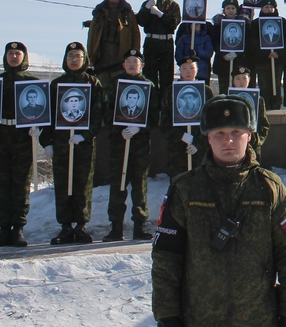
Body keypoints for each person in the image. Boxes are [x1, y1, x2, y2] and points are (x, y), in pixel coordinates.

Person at [151, 95, 286, 327]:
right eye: (220, 133)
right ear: (208, 137)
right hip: (199, 319)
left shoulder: (268, 188)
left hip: (258, 318)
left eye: (236, 132)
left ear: (250, 135)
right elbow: (166, 256)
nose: (229, 141)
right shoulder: (185, 188)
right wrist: (167, 315)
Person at [41, 42, 105, 244]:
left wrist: (85, 135)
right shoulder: (57, 84)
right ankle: (65, 226)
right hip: (61, 142)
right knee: (63, 183)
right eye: (70, 56)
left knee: (83, 183)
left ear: (84, 59)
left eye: (78, 56)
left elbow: (98, 114)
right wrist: (47, 141)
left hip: (83, 143)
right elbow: (48, 114)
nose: (74, 60)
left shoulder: (92, 84)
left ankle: (81, 225)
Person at [0, 42, 40, 248]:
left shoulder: (32, 82)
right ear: (5, 56)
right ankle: (3, 229)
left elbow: (42, 111)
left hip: (22, 138)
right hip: (0, 137)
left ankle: (18, 229)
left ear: (24, 57)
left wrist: (38, 127)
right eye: (10, 53)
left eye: (18, 53)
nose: (14, 56)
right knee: (0, 184)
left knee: (20, 183)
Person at [103, 49, 157, 242]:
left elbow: (153, 115)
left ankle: (139, 225)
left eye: (136, 61)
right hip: (119, 141)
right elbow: (107, 111)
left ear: (141, 65)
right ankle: (116, 226)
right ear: (123, 64)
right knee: (118, 183)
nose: (132, 64)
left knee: (139, 184)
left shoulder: (148, 86)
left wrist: (139, 128)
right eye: (128, 61)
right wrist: (118, 129)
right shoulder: (115, 84)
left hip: (140, 143)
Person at [163, 56, 214, 180]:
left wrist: (198, 142)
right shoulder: (171, 91)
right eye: (184, 68)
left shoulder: (206, 91)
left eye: (191, 68)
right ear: (179, 70)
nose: (188, 71)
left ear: (197, 70)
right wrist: (181, 136)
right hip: (177, 147)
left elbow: (211, 120)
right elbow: (165, 120)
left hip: (200, 147)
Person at [87, 0, 141, 92]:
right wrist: (91, 57)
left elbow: (135, 34)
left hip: (121, 54)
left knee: (119, 88)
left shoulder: (127, 12)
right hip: (102, 53)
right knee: (101, 87)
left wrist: (135, 55)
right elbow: (92, 35)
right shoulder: (99, 12)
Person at [137, 0, 182, 96]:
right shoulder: (148, 3)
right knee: (149, 75)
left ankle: (165, 105)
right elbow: (140, 21)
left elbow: (173, 24)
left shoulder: (173, 5)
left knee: (166, 77)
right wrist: (147, 8)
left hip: (166, 42)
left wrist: (159, 14)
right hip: (151, 41)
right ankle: (152, 106)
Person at [248, 0, 286, 109]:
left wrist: (279, 53)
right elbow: (253, 41)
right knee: (264, 86)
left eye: (271, 7)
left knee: (276, 86)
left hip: (277, 60)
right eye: (266, 7)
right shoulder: (256, 23)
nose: (269, 9)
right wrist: (265, 54)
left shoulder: (281, 22)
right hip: (262, 61)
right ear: (262, 9)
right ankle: (265, 110)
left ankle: (276, 108)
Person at [227, 67, 271, 152]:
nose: (241, 82)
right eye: (238, 79)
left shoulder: (258, 99)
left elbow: (264, 123)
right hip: (234, 143)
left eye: (244, 78)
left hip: (252, 144)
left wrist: (257, 139)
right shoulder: (227, 99)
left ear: (249, 80)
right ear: (233, 81)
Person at [212, 0, 246, 94]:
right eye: (228, 8)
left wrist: (237, 53)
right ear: (224, 10)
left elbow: (246, 42)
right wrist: (223, 53)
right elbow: (214, 41)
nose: (230, 10)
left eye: (233, 8)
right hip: (222, 61)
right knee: (223, 89)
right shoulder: (218, 25)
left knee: (237, 89)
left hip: (237, 60)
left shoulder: (243, 24)